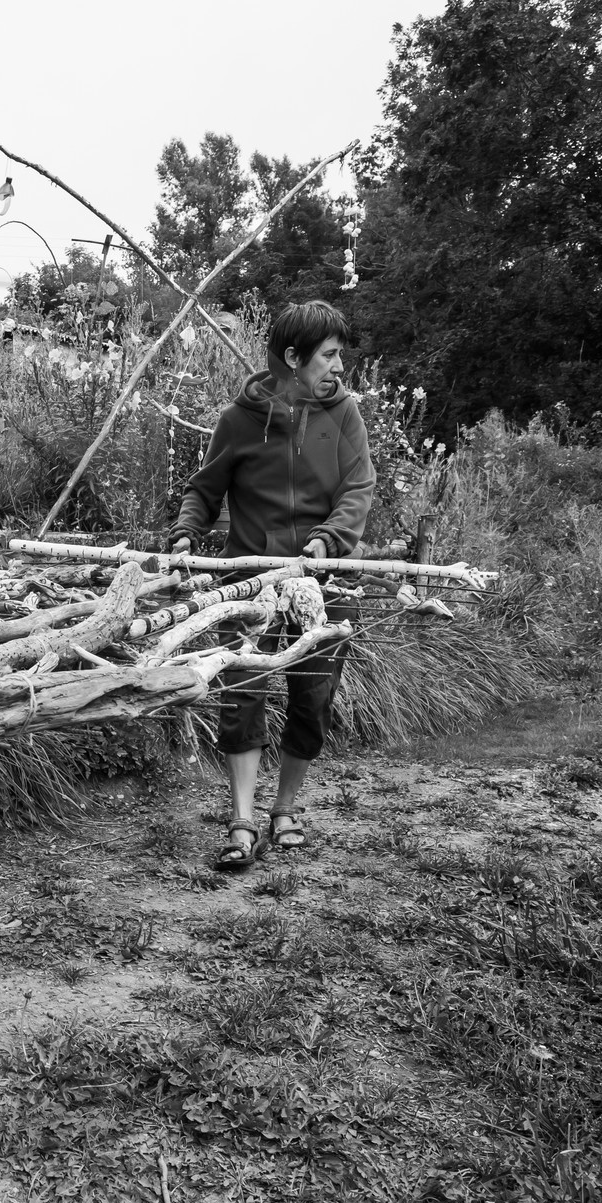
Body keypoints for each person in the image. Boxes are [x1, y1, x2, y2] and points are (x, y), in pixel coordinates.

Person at [168, 299, 374, 869]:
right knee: (242, 695)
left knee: (313, 698)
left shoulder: (345, 415)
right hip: (247, 582)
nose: (339, 367)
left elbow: (358, 488)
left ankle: (284, 809)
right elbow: (205, 489)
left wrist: (327, 542)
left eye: (340, 355)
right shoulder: (239, 420)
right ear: (292, 357)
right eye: (328, 356)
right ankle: (242, 819)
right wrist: (187, 532)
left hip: (321, 578)